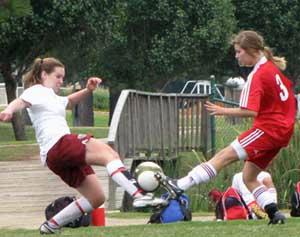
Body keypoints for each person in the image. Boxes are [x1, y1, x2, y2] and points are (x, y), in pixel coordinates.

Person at [0, 57, 167, 234]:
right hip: (60, 144)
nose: (61, 81)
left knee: (96, 198)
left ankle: (51, 226)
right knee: (109, 155)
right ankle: (139, 195)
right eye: (58, 76)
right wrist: (8, 110)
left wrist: (88, 90)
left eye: (63, 77)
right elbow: (21, 101)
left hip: (53, 157)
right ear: (43, 74)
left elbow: (69, 101)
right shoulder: (37, 90)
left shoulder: (51, 97)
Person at [164, 30, 296, 224]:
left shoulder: (257, 75)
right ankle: (274, 213)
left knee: (223, 156)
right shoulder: (272, 69)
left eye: (238, 51)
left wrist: (222, 110)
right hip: (282, 131)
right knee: (248, 177)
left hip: (268, 130)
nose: (236, 56)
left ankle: (180, 185)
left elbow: (250, 111)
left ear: (251, 50)